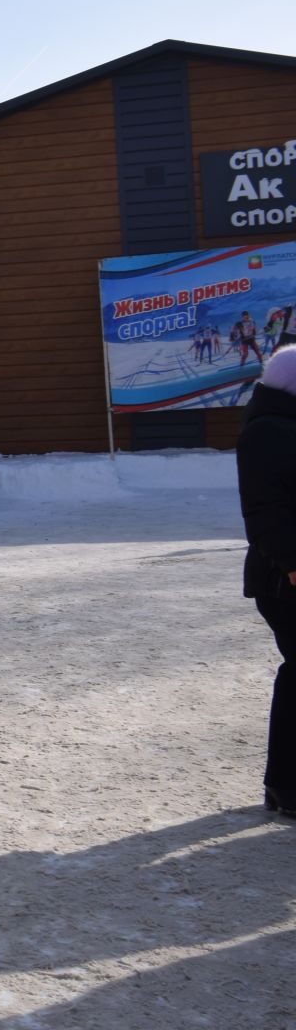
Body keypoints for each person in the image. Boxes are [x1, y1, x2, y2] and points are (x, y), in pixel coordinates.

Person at [237, 346, 296, 819]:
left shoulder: (284, 426)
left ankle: (283, 784)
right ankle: (285, 785)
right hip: (284, 579)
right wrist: (292, 564)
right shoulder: (268, 432)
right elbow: (265, 512)